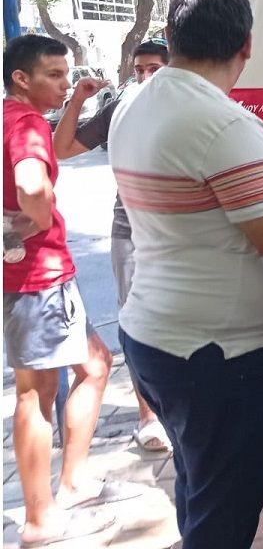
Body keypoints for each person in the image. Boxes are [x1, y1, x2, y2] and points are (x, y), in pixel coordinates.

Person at [109, 0, 263, 548]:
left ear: (171, 37)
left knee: (199, 486)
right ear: (246, 44)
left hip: (158, 338)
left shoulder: (135, 103)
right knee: (226, 512)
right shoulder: (224, 125)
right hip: (218, 356)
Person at [3, 35, 129, 547]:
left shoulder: (15, 119)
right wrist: (28, 225)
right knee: (36, 392)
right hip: (38, 277)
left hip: (41, 276)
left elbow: (55, 152)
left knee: (95, 364)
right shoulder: (25, 123)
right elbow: (33, 185)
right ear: (21, 78)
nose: (62, 82)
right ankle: (40, 519)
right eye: (54, 75)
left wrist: (75, 99)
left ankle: (73, 484)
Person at [51, 39, 171, 453]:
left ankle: (180, 407)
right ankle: (148, 416)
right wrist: (77, 100)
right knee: (136, 323)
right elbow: (62, 149)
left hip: (178, 230)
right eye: (139, 70)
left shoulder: (183, 104)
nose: (145, 76)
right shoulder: (120, 106)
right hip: (130, 230)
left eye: (154, 68)